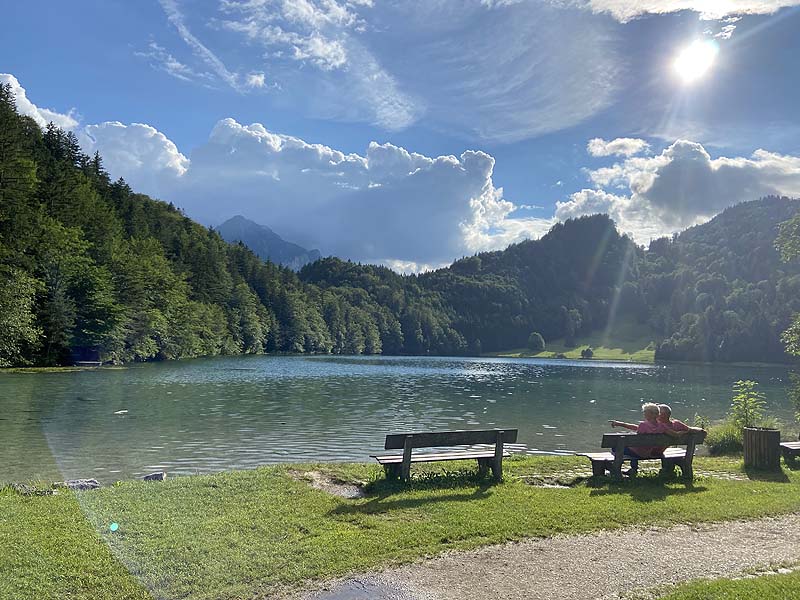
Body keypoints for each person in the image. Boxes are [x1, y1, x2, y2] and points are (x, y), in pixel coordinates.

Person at [609, 402, 680, 475]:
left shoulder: (643, 425)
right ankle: (632, 469)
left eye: (645, 412)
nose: (644, 414)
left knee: (615, 447)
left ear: (650, 414)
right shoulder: (662, 426)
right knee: (629, 447)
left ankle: (616, 468)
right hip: (649, 452)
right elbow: (675, 435)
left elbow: (637, 440)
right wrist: (683, 433)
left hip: (639, 453)